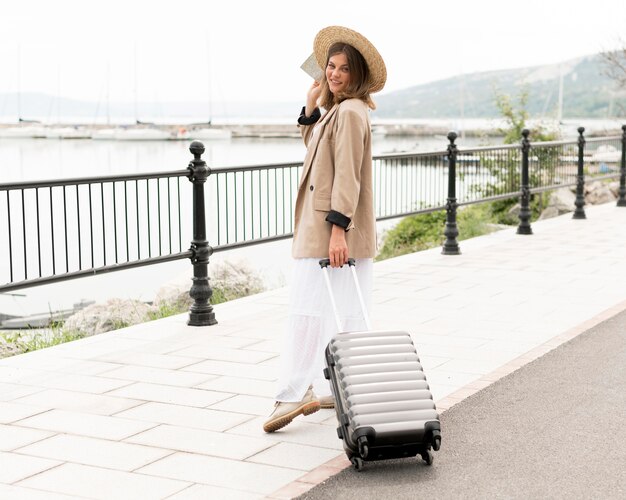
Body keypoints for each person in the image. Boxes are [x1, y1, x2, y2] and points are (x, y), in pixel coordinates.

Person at [263, 26, 386, 433]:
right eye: (330, 66)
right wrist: (311, 105)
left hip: (330, 229)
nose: (334, 74)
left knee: (306, 308)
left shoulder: (350, 112)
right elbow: (316, 146)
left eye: (343, 69)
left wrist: (338, 232)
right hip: (325, 226)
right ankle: (343, 386)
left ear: (357, 75)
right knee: (338, 310)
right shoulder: (339, 110)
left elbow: (347, 176)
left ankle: (293, 392)